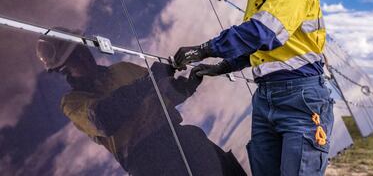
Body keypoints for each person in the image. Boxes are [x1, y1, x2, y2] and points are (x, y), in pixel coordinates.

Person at [173, 0, 334, 176]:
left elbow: (261, 33)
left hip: (301, 98)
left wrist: (205, 50)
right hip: (265, 99)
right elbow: (255, 48)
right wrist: (221, 66)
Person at [36, 31, 246, 175]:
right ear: (63, 71)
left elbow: (164, 97)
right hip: (150, 164)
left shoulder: (122, 69)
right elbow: (104, 117)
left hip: (182, 138)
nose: (84, 59)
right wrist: (149, 80)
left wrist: (186, 87)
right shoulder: (73, 102)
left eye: (82, 51)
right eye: (75, 59)